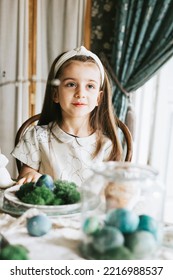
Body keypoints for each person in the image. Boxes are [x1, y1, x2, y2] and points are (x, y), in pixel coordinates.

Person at [12, 46, 123, 186]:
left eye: (90, 86)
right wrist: (30, 175)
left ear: (98, 99)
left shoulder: (106, 146)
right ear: (56, 94)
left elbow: (110, 191)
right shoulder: (37, 137)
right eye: (71, 84)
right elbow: (26, 175)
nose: (80, 93)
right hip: (48, 207)